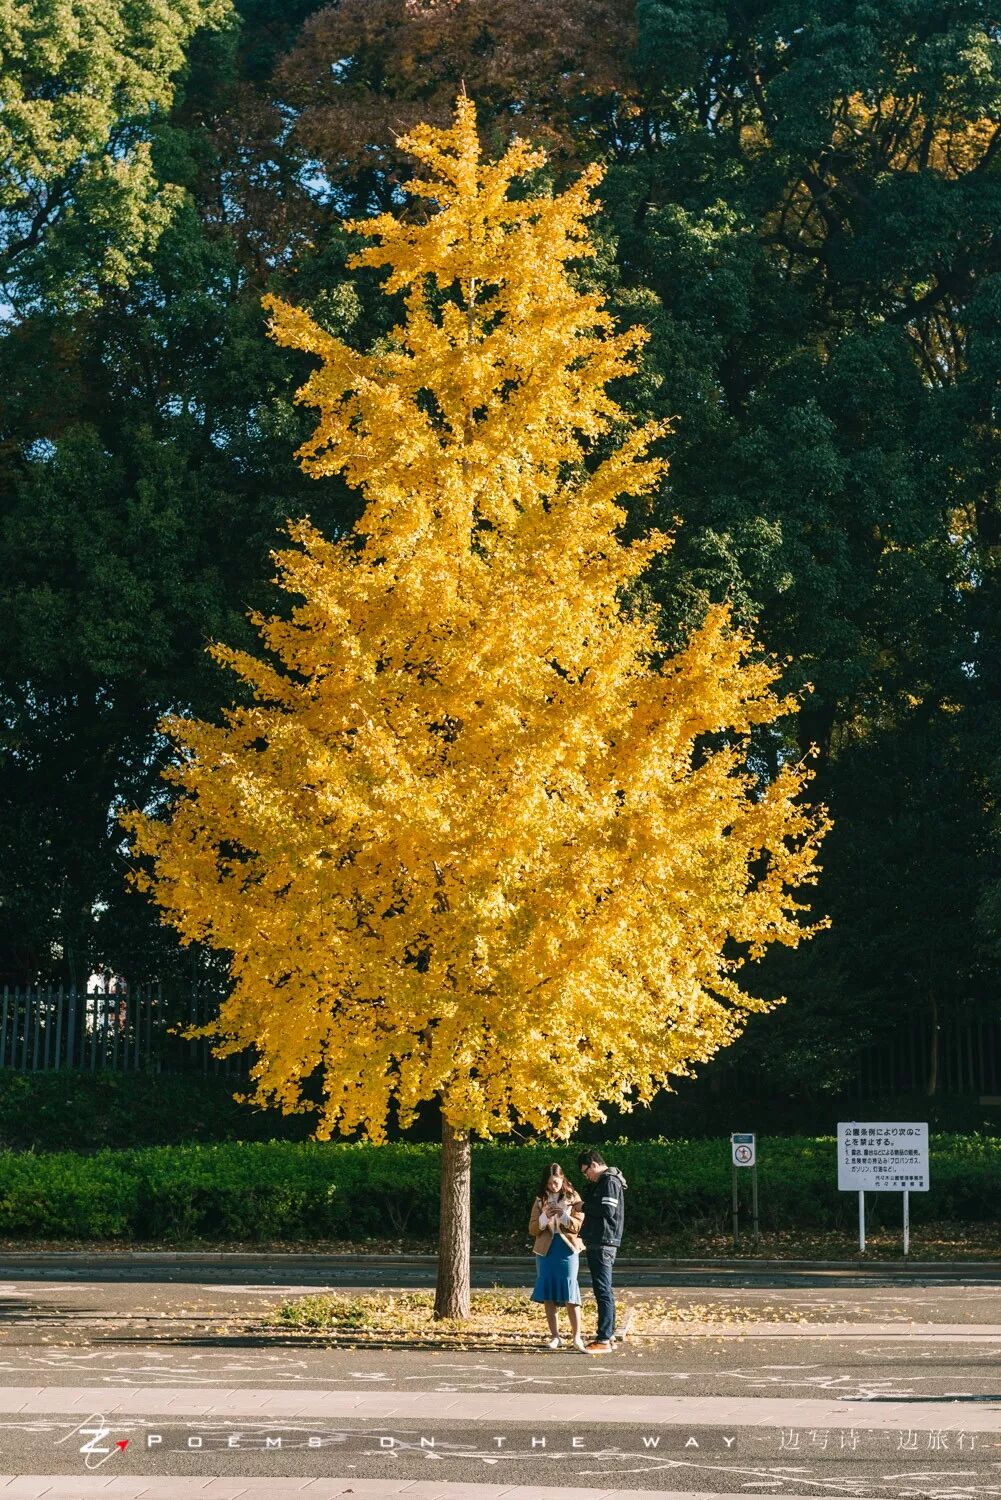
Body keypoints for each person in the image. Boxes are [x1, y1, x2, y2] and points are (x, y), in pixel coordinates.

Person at [528, 1162, 587, 1351]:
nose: (553, 1186)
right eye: (549, 1183)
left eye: (556, 1182)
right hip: (545, 1250)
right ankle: (555, 1336)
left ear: (562, 1179)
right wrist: (545, 1216)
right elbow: (532, 1228)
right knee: (548, 1294)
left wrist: (563, 1216)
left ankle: (576, 1337)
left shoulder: (573, 1197)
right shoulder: (540, 1200)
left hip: (567, 1248)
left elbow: (578, 1225)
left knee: (571, 1291)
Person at [578, 1148, 627, 1353]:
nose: (586, 1176)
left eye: (585, 1171)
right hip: (603, 1240)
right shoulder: (608, 1181)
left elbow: (608, 1211)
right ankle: (609, 1335)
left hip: (603, 1240)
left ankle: (604, 1338)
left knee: (602, 1290)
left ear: (594, 1164)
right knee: (605, 1290)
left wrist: (583, 1207)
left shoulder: (608, 1182)